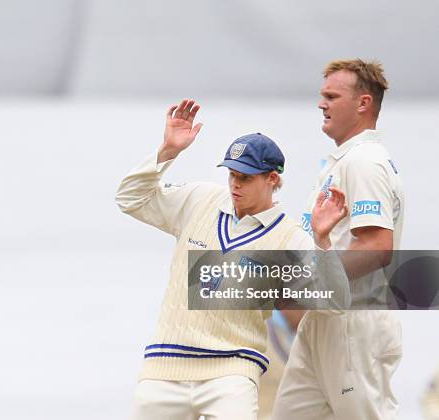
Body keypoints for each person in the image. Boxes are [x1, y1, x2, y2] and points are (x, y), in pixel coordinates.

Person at [116, 99, 348, 420]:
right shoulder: (199, 199)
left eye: (247, 177)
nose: (235, 184)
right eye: (232, 174)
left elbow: (335, 301)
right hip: (164, 368)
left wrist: (322, 240)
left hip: (231, 374)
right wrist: (168, 151)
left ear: (272, 179)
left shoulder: (290, 236)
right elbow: (129, 198)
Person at [273, 59, 405, 419]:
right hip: (322, 323)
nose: (321, 103)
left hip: (354, 324)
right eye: (322, 95)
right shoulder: (340, 162)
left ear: (363, 103)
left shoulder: (364, 161)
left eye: (332, 96)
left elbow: (378, 248)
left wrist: (303, 283)